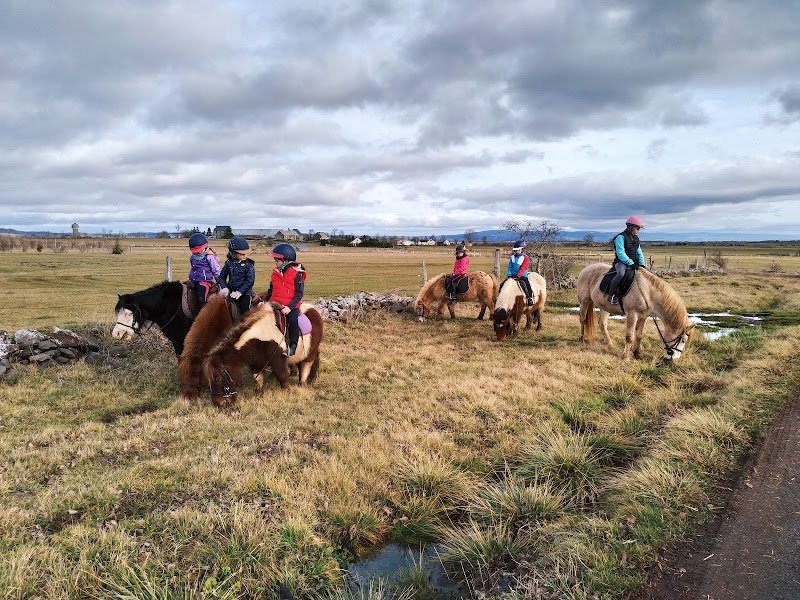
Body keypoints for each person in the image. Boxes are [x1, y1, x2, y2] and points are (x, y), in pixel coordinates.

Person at [263, 243, 306, 357]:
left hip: (290, 306)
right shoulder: (275, 273)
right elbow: (271, 290)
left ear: (286, 261)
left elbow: (299, 293)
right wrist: (264, 300)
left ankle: (292, 346)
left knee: (293, 322)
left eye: (277, 261)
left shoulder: (297, 275)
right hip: (274, 303)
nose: (275, 263)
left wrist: (290, 307)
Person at [608, 215, 647, 304]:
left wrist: (642, 264)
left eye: (639, 228)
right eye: (637, 228)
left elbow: (639, 252)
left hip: (634, 262)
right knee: (621, 274)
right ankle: (612, 295)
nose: (638, 230)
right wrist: (630, 263)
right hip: (621, 262)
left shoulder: (636, 239)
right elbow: (620, 253)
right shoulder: (620, 237)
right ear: (630, 227)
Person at [218, 236, 256, 315]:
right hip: (231, 291)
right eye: (242, 254)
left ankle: (245, 326)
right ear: (233, 253)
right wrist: (224, 287)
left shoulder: (249, 265)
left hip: (245, 293)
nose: (245, 256)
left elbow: (250, 281)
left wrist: (240, 292)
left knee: (245, 311)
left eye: (246, 254)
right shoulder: (229, 263)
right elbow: (222, 277)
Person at [187, 232, 221, 307]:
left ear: (206, 247)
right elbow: (193, 268)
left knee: (201, 299)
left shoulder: (210, 257)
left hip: (204, 281)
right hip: (193, 280)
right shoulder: (192, 257)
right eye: (196, 251)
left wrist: (219, 280)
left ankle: (202, 313)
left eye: (200, 250)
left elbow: (216, 269)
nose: (198, 252)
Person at [507, 239, 534, 306]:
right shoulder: (512, 257)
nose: (516, 251)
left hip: (522, 276)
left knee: (526, 285)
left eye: (517, 250)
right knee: (502, 284)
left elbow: (523, 268)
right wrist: (509, 274)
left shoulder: (525, 258)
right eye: (515, 250)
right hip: (512, 275)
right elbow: (510, 266)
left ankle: (529, 298)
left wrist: (518, 275)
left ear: (522, 249)